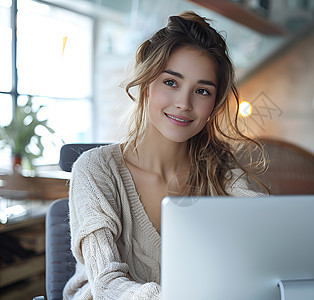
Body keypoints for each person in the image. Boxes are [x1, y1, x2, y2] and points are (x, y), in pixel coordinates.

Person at [63, 11, 268, 300]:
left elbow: (269, 235)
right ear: (147, 84)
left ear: (214, 104)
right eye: (171, 82)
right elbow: (107, 284)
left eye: (202, 91)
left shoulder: (222, 171)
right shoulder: (95, 169)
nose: (184, 103)